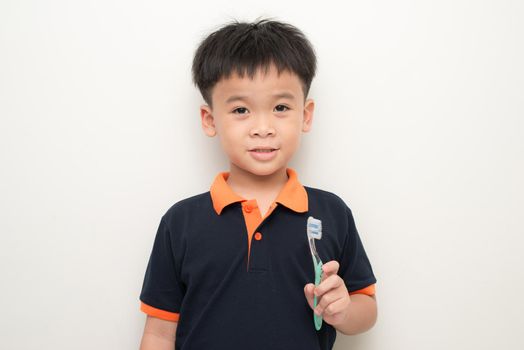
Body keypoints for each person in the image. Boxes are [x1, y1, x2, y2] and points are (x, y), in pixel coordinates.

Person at [139, 18, 377, 350]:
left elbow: (366, 310)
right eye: (240, 110)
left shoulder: (332, 212)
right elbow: (159, 332)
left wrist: (344, 310)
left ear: (305, 116)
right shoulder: (180, 222)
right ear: (210, 120)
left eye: (280, 107)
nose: (262, 127)